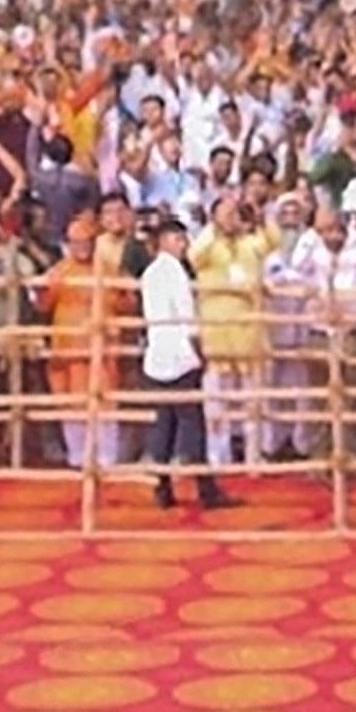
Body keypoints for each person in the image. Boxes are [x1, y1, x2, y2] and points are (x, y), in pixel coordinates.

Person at [135, 212, 235, 510]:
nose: (183, 244)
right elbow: (186, 316)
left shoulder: (150, 273)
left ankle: (163, 486)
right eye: (179, 238)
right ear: (165, 241)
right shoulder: (175, 271)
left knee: (164, 422)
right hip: (180, 355)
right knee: (191, 423)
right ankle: (205, 487)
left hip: (157, 355)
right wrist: (199, 349)